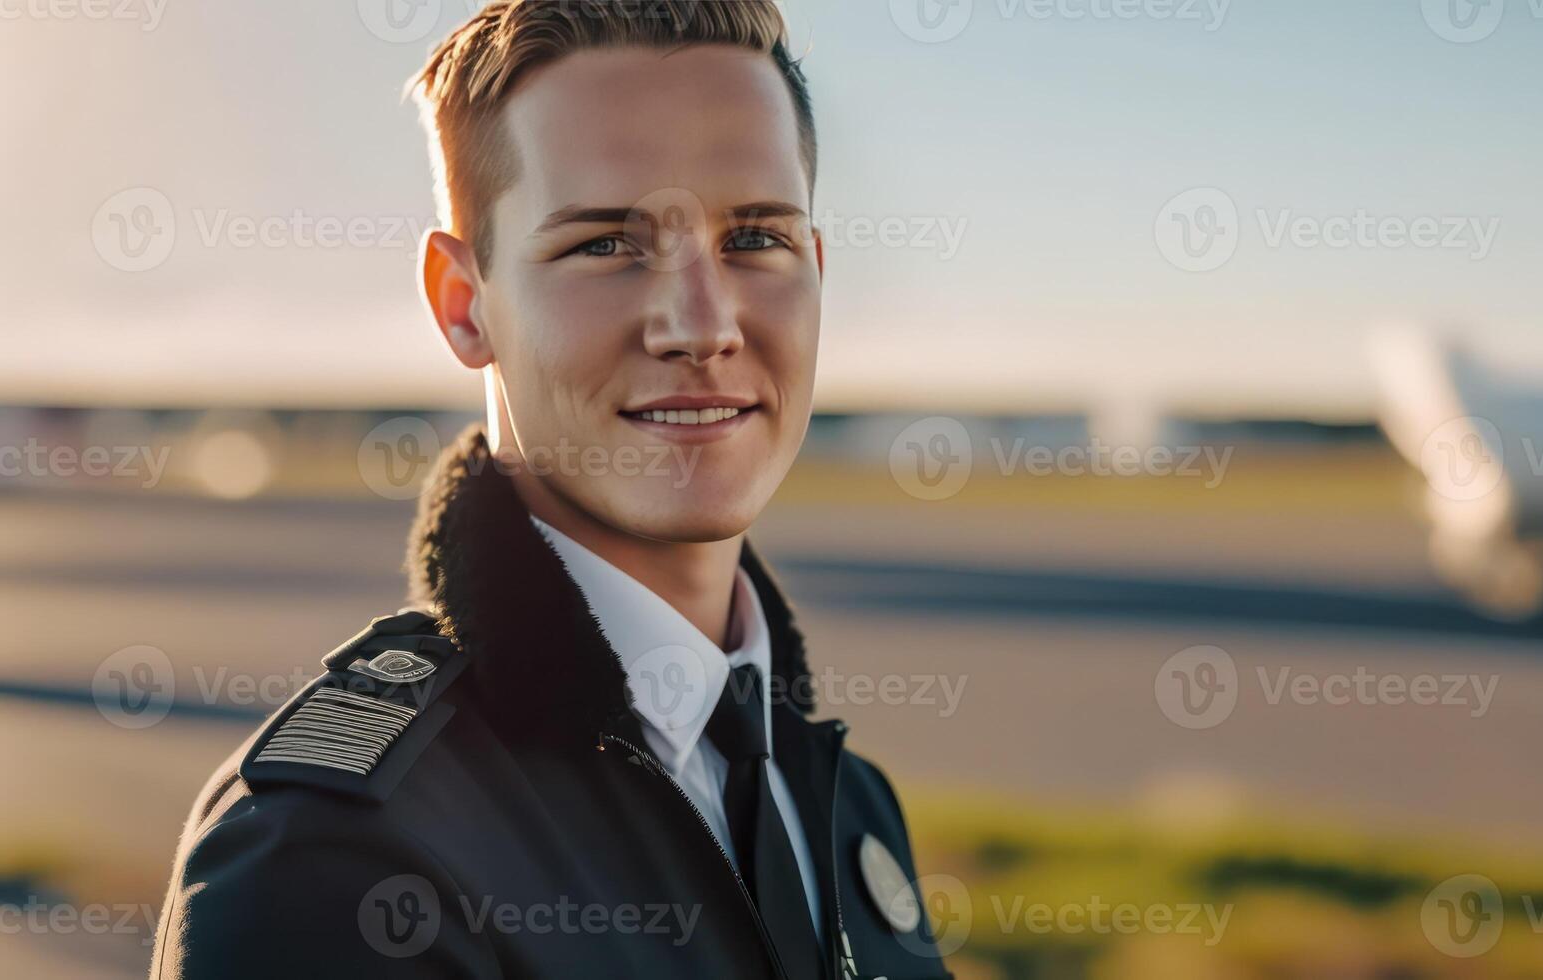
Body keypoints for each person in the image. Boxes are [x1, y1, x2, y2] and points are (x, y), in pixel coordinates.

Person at [149, 3, 948, 977]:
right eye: (605, 244)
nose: (700, 325)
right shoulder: (335, 855)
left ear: (815, 272)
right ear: (463, 303)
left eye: (754, 239)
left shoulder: (840, 795)